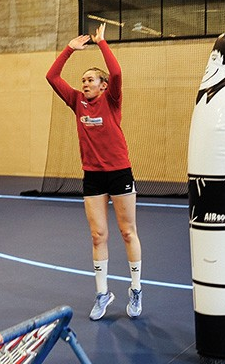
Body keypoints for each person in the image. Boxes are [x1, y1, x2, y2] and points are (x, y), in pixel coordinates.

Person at [45, 23, 142, 320]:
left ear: (103, 85)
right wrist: (69, 50)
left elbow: (117, 73)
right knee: (98, 235)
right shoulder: (77, 101)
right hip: (93, 176)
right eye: (83, 80)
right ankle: (102, 294)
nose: (85, 83)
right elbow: (52, 77)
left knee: (127, 232)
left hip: (119, 172)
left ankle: (136, 289)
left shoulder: (111, 100)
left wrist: (101, 44)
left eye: (91, 80)